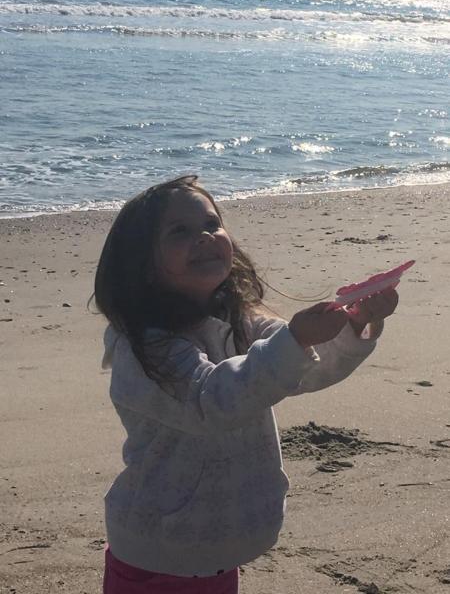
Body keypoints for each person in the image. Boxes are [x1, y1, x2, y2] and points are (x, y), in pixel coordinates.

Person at [94, 175, 398, 594]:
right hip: (159, 546)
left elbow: (304, 369)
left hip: (219, 541)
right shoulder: (145, 347)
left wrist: (354, 324)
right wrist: (295, 340)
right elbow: (212, 400)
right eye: (180, 231)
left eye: (211, 224)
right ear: (142, 263)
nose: (204, 237)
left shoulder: (240, 319)